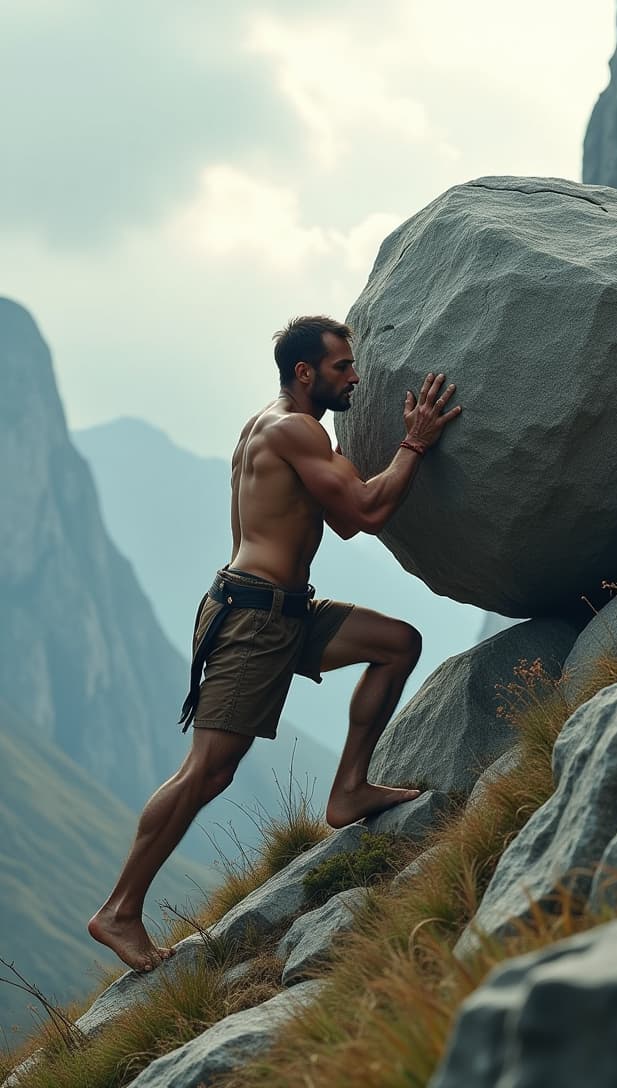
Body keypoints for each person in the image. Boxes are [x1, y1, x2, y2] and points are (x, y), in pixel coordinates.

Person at [88, 315, 461, 973]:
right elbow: (361, 516)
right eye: (343, 367)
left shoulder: (280, 424)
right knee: (208, 769)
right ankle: (119, 911)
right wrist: (416, 443)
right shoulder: (294, 429)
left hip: (288, 611)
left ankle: (347, 789)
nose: (354, 376)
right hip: (254, 621)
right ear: (304, 373)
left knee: (397, 643)